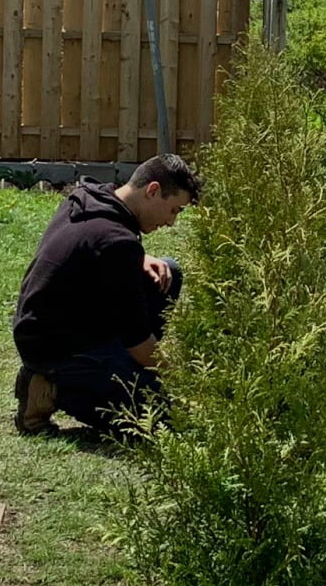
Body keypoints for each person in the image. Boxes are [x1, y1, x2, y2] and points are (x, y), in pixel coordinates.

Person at [12, 154, 202, 436]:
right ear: (152, 190)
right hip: (57, 349)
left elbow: (92, 243)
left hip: (55, 322)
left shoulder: (91, 196)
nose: (172, 222)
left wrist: (139, 258)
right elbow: (139, 342)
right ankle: (49, 386)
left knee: (167, 272)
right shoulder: (116, 243)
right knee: (166, 420)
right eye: (174, 210)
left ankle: (124, 374)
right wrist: (182, 380)